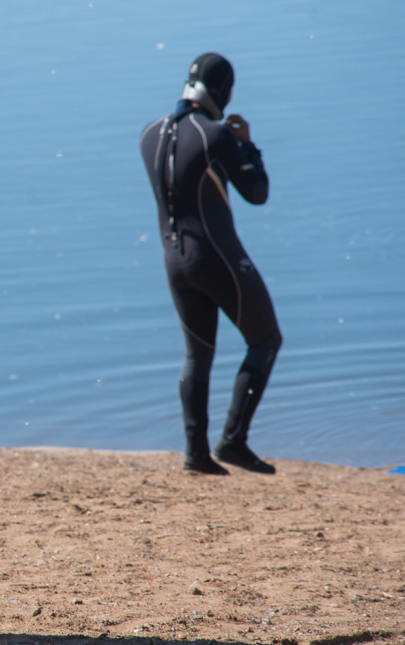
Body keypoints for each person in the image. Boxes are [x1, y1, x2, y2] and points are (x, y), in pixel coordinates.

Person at [139, 53, 282, 475]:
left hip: (173, 259)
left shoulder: (149, 134)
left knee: (197, 354)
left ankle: (196, 454)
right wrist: (246, 145)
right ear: (223, 92)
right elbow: (257, 192)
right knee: (265, 339)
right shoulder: (215, 135)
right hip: (215, 255)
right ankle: (233, 441)